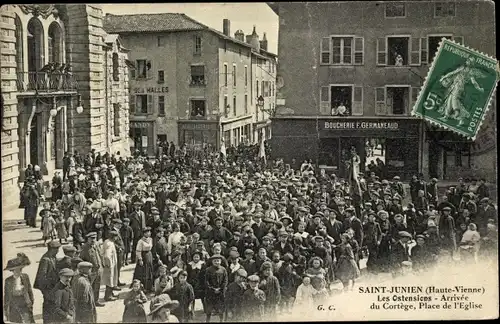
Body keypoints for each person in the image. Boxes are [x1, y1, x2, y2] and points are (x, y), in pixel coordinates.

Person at [34, 240, 61, 323]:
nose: (58, 251)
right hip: (47, 288)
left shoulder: (53, 257)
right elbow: (42, 277)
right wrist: (46, 291)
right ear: (51, 249)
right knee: (48, 306)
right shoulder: (46, 259)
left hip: (53, 287)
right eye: (56, 249)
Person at [3, 253, 35, 323]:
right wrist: (5, 309)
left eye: (20, 270)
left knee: (27, 320)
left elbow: (29, 290)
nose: (19, 272)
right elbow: (6, 295)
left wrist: (31, 301)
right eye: (16, 270)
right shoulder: (8, 281)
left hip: (24, 301)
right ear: (12, 271)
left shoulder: (25, 277)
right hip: (14, 302)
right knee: (16, 320)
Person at [79, 232, 105, 307]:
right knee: (89, 287)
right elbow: (81, 259)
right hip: (90, 271)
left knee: (97, 286)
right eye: (91, 238)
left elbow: (100, 255)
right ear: (88, 239)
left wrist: (102, 264)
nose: (93, 240)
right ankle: (88, 303)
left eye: (94, 238)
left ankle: (96, 301)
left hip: (99, 269)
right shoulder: (85, 248)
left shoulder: (96, 245)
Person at [204, 254, 228, 322]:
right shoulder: (208, 270)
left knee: (220, 307)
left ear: (220, 261)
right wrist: (212, 289)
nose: (216, 262)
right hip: (211, 292)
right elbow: (206, 281)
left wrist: (220, 288)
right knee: (209, 308)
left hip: (220, 292)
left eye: (218, 261)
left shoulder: (223, 270)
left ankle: (221, 320)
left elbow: (225, 280)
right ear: (212, 262)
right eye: (215, 261)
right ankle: (208, 320)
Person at [133, 227, 155, 293]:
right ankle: (144, 288)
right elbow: (138, 251)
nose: (149, 233)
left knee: (149, 271)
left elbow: (152, 248)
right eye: (147, 232)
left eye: (149, 232)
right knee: (144, 272)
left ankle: (149, 286)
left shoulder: (150, 239)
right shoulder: (140, 241)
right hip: (144, 256)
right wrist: (140, 259)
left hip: (149, 255)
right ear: (144, 233)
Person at [102, 230, 119, 301]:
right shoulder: (110, 244)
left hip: (110, 263)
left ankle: (110, 294)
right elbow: (107, 255)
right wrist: (109, 264)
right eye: (116, 237)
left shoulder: (107, 241)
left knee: (111, 279)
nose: (117, 238)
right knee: (110, 280)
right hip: (110, 264)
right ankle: (108, 296)